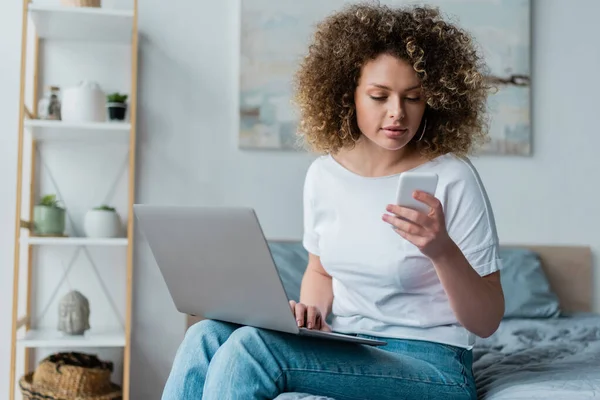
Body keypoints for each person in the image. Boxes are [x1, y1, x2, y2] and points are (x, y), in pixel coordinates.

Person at [162, 3, 504, 399]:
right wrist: (311, 315)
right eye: (379, 96)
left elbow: (487, 319)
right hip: (348, 345)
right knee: (204, 335)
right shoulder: (324, 175)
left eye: (412, 97)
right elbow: (321, 272)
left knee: (252, 351)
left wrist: (442, 250)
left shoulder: (452, 177)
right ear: (349, 94)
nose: (397, 113)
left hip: (434, 363)